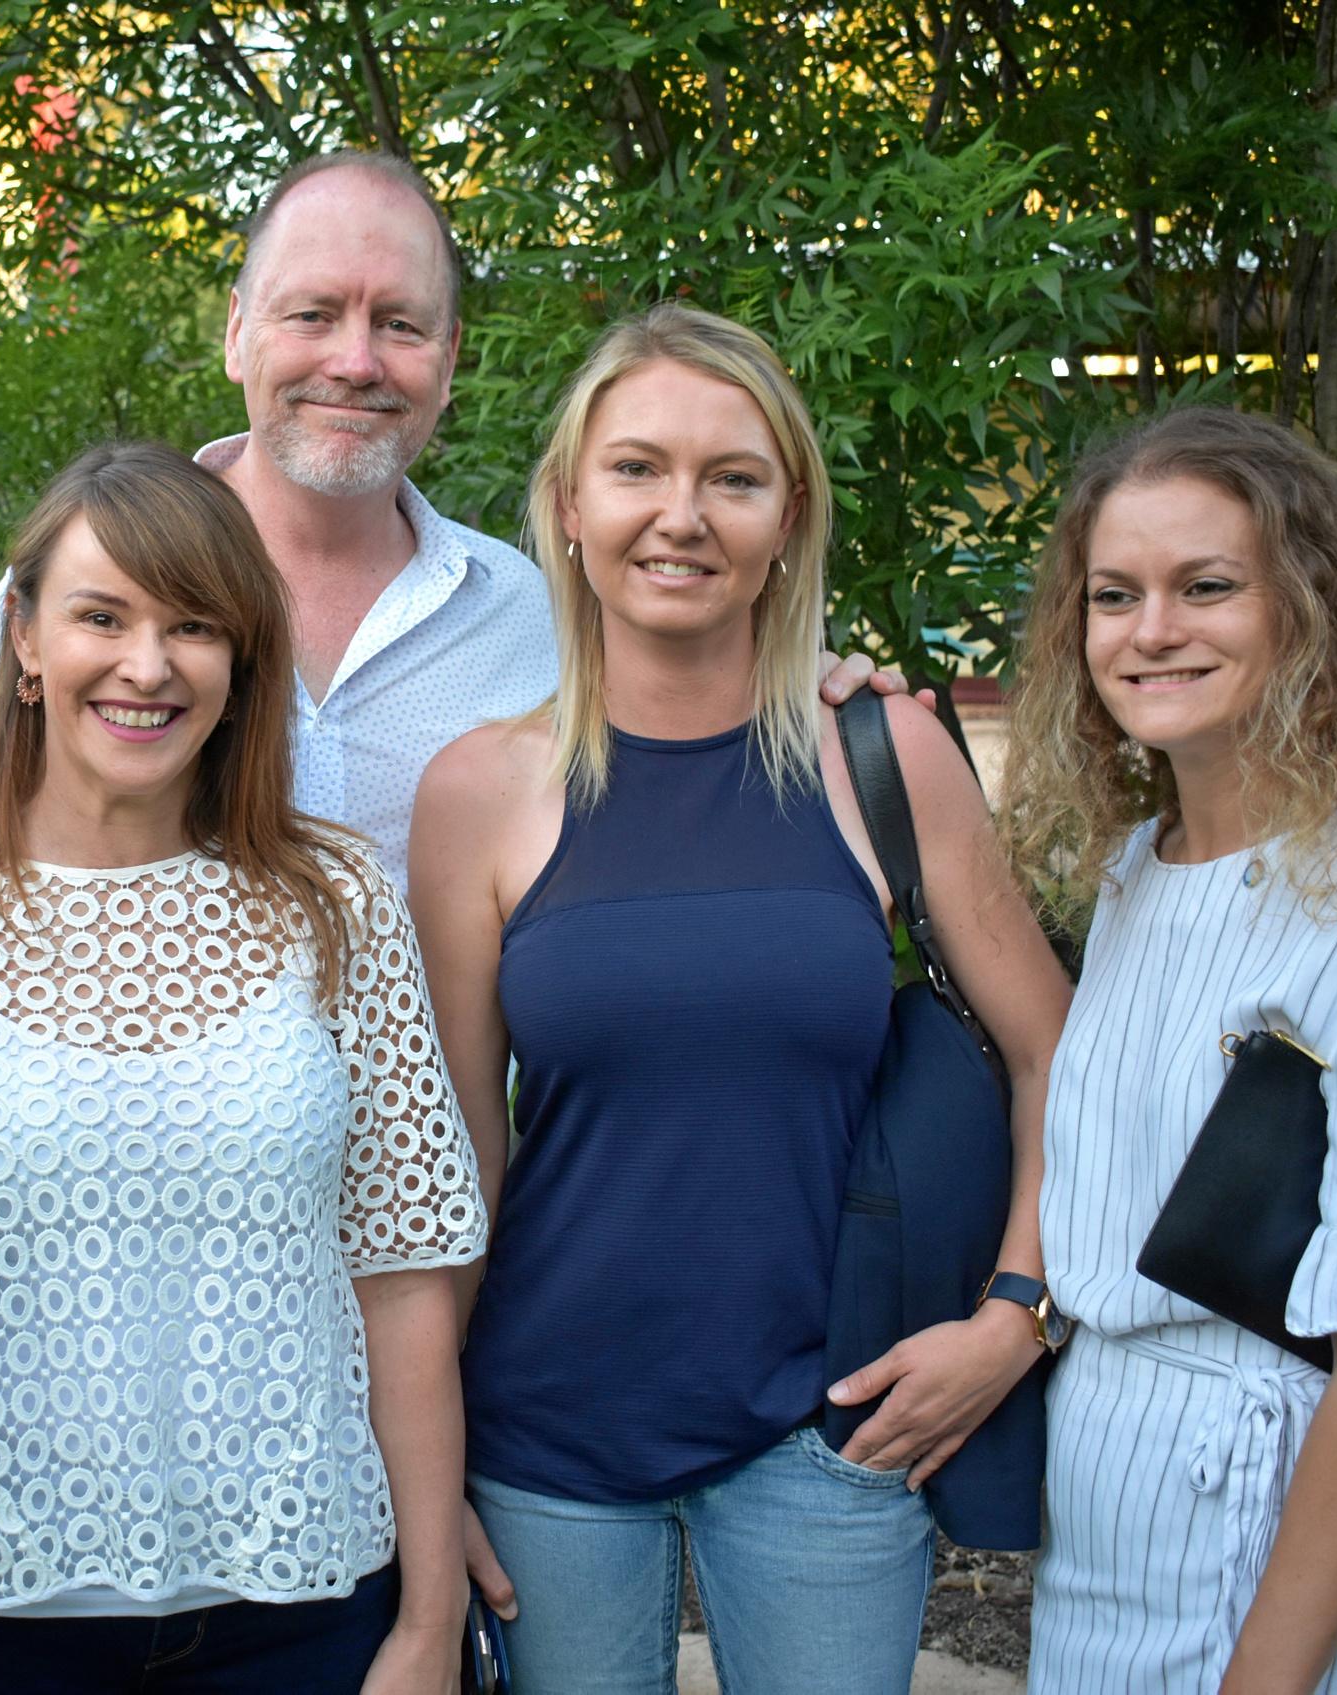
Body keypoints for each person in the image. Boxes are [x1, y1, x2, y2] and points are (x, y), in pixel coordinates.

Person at [410, 304, 1072, 1693]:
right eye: (637, 468)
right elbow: (455, 1157)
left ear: (786, 521)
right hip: (546, 1435)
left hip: (831, 1420)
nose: (681, 514)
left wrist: (1015, 1312)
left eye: (733, 476)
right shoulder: (478, 792)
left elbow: (1054, 1050)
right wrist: (424, 1460)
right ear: (568, 509)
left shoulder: (879, 751)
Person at [0, 439, 485, 1693]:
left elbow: (404, 1282)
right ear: (23, 638)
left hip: (307, 1610)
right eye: (101, 615)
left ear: (245, 660)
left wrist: (429, 1622)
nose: (148, 665)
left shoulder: (337, 901)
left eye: (195, 626)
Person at [0, 150, 909, 897]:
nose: (355, 360)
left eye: (398, 323)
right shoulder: (93, 591)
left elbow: (693, 751)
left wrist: (808, 686)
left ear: (450, 358)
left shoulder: (533, 620)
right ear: (239, 333)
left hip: (456, 1212)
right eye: (313, 314)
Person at [1000, 407, 1337, 1693]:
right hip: (1105, 1535)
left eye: (1208, 587)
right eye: (1114, 595)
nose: (1151, 631)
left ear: (1312, 608)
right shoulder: (1134, 875)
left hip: (1292, 1533)